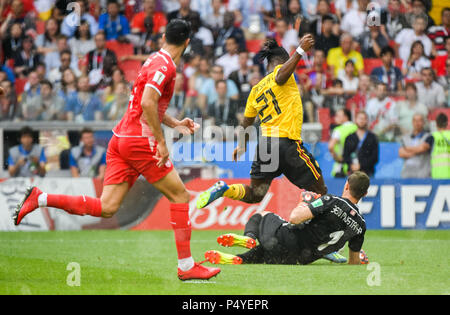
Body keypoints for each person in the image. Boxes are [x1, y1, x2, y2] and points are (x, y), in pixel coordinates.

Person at [14, 19, 220, 281]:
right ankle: (187, 266)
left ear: (164, 37)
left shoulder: (154, 59)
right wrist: (161, 142)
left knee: (107, 207)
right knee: (179, 196)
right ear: (187, 42)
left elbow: (147, 105)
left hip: (121, 138)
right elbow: (147, 102)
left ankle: (40, 198)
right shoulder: (166, 65)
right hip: (139, 142)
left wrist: (175, 123)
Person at [197, 37, 328, 208]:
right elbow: (280, 77)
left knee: (255, 194)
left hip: (266, 147)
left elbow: (246, 123)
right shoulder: (282, 73)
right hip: (286, 144)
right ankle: (314, 230)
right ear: (281, 61)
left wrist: (242, 146)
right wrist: (300, 51)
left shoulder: (255, 90)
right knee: (322, 193)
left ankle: (225, 189)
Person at [204, 171, 370, 266]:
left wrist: (304, 202)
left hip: (289, 239)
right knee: (265, 252)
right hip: (298, 259)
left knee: (262, 215)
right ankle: (239, 258)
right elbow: (353, 262)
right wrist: (361, 260)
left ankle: (249, 238)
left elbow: (294, 218)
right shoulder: (361, 225)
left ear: (346, 185)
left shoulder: (331, 201)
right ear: (365, 194)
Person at [343, 111, 379, 177]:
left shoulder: (372, 138)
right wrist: (352, 165)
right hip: (352, 173)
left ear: (367, 121)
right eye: (360, 118)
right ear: (355, 119)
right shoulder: (349, 138)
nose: (362, 121)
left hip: (368, 173)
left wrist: (361, 165)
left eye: (364, 119)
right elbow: (345, 156)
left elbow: (374, 157)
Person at [398, 113, 433, 178]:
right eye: (415, 121)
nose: (417, 123)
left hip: (423, 176)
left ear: (423, 122)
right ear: (412, 122)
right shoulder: (406, 137)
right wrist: (417, 151)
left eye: (419, 121)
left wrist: (407, 148)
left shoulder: (429, 137)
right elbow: (401, 153)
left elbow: (422, 148)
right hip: (407, 175)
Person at [328, 108, 357, 178]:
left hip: (342, 167)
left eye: (338, 116)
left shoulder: (338, 130)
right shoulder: (356, 127)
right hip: (356, 165)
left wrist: (337, 158)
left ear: (345, 117)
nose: (335, 118)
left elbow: (331, 147)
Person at [430, 113, 450, 179]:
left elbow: (422, 148)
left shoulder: (432, 136)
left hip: (436, 175)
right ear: (447, 123)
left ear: (436, 124)